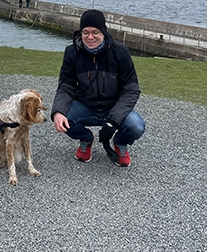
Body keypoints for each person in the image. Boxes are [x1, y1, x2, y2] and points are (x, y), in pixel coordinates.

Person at [51, 9, 145, 167]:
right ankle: (86, 138)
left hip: (113, 107)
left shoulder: (120, 52)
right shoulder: (71, 52)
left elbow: (131, 90)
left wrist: (113, 121)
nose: (90, 37)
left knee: (136, 126)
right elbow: (66, 86)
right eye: (85, 32)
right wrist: (58, 111)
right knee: (62, 118)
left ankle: (120, 142)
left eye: (95, 32)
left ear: (104, 31)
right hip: (85, 105)